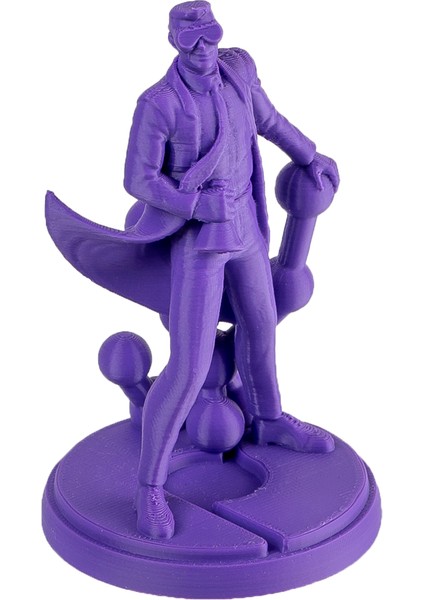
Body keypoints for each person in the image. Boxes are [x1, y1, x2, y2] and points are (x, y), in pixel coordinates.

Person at [123, 1, 340, 539]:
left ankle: (269, 420)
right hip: (199, 239)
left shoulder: (237, 70)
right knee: (189, 365)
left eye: (210, 36)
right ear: (174, 41)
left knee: (261, 328)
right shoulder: (159, 103)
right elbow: (138, 178)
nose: (203, 48)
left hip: (245, 223)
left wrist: (310, 155)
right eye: (191, 40)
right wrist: (195, 205)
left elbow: (268, 120)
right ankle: (149, 487)